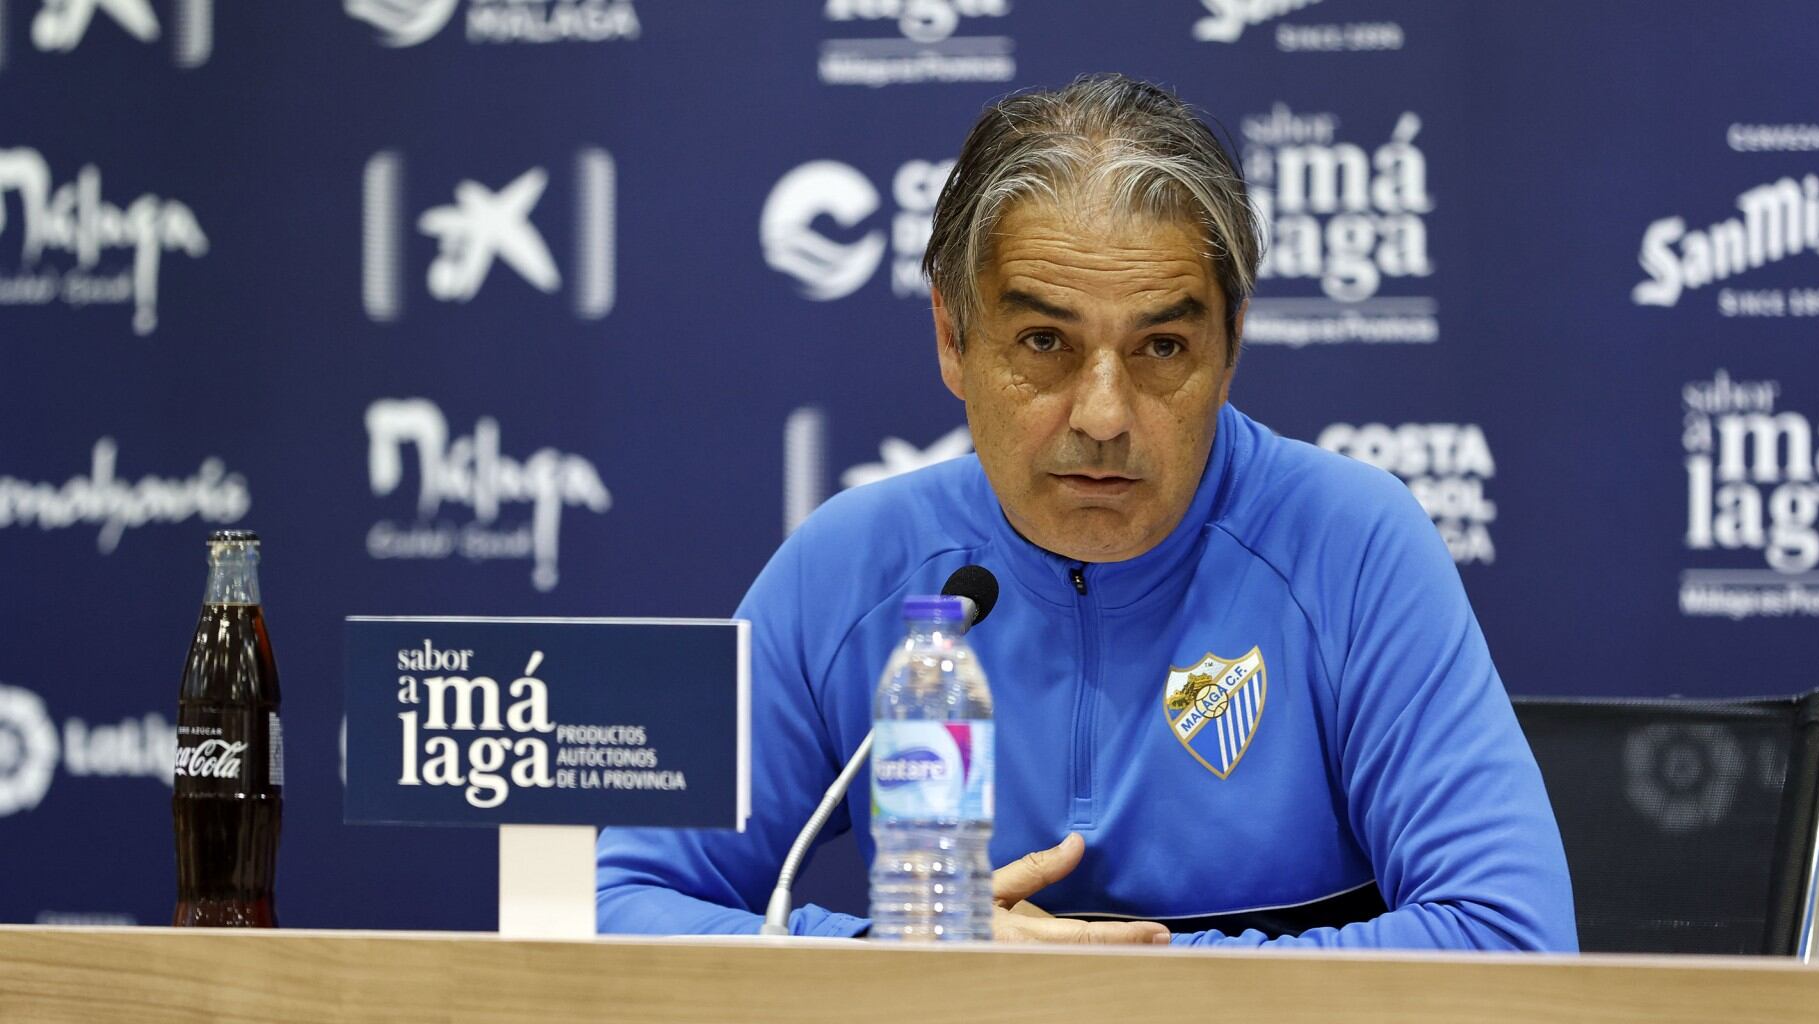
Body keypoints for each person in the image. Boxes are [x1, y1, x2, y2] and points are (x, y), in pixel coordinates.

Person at [599, 74, 1578, 950]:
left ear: (1231, 343)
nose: (1104, 417)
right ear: (952, 336)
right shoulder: (851, 568)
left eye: (1160, 348)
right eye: (1042, 342)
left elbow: (1510, 937)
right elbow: (618, 900)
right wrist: (893, 952)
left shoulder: (1353, 545)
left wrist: (1099, 995)